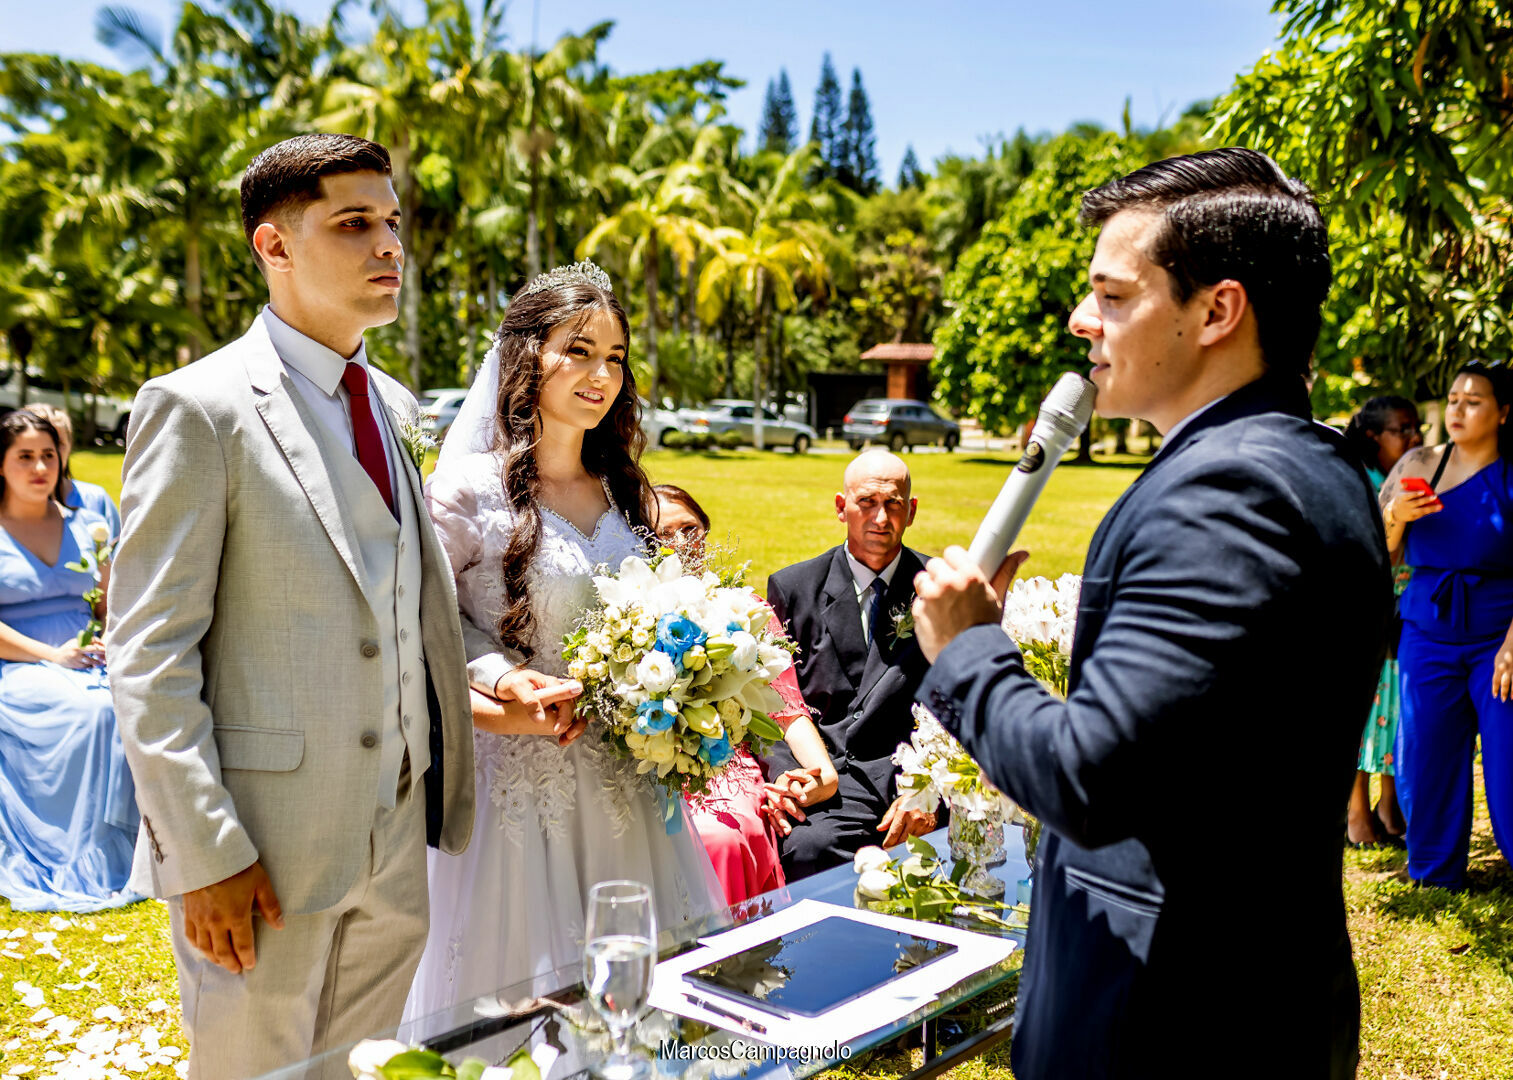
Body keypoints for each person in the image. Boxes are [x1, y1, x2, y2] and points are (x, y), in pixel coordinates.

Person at [911, 149, 1391, 1079]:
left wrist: (968, 653)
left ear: (1217, 309)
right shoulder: (1312, 462)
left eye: (1114, 295)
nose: (1080, 321)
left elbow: (1093, 779)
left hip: (1170, 1021)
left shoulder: (1228, 492)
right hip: (1256, 995)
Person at [106, 134, 475, 1079]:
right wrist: (202, 854)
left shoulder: (390, 403)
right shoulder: (198, 408)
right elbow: (149, 653)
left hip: (396, 833)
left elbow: (399, 600)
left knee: (357, 1070)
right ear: (273, 246)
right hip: (261, 851)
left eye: (392, 222)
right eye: (353, 223)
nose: (387, 244)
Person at [406, 262, 723, 1016]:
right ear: (526, 357)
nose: (600, 375)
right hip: (517, 776)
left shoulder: (626, 488)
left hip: (623, 777)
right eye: (577, 351)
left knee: (640, 994)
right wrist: (500, 681)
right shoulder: (464, 491)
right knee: (524, 1003)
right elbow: (423, 620)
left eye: (614, 357)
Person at [652, 483, 838, 904]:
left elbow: (786, 708)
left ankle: (737, 960)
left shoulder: (745, 609)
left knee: (727, 838)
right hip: (648, 761)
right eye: (664, 534)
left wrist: (823, 773)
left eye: (691, 530)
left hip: (725, 761)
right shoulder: (627, 616)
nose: (682, 543)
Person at [763, 450, 938, 881]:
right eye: (867, 503)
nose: (881, 518)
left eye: (894, 504)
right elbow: (775, 699)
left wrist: (930, 787)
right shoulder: (794, 587)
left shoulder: (939, 589)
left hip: (913, 773)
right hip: (829, 777)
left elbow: (963, 703)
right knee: (806, 848)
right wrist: (792, 778)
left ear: (911, 511)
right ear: (842, 507)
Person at [1380, 361, 1513, 889]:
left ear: (1503, 413)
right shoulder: (1420, 462)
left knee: (1505, 764)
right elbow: (1377, 553)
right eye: (1454, 398)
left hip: (1498, 640)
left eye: (1474, 400)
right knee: (1427, 757)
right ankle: (1435, 872)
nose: (1457, 409)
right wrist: (1396, 518)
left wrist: (1510, 645)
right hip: (1427, 631)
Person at [0, 410, 140, 912]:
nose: (40, 467)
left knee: (138, 699)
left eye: (48, 456)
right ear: (1, 465)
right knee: (94, 714)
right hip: (16, 662)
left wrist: (108, 636)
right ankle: (84, 857)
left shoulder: (89, 525)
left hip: (85, 655)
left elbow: (108, 604)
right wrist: (51, 656)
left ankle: (154, 848)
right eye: (25, 457)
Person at [1342, 395, 1421, 845]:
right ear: (1374, 436)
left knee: (1392, 707)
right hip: (1370, 604)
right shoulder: (1361, 477)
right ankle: (1355, 811)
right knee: (1366, 709)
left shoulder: (1414, 474)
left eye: (1416, 429)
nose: (1414, 438)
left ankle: (1389, 804)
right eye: (1403, 429)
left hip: (1406, 607)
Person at [22, 403, 122, 541]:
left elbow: (118, 553)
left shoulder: (95, 500)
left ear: (70, 446)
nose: (50, 453)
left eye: (59, 443)